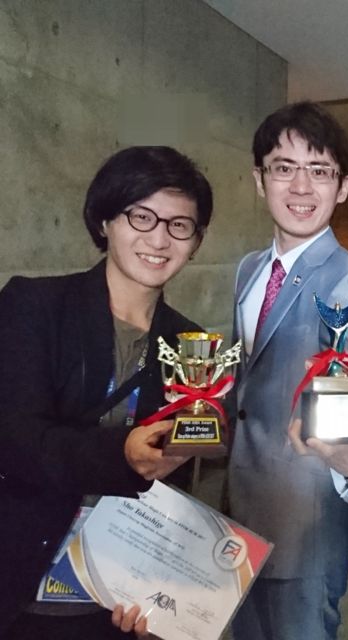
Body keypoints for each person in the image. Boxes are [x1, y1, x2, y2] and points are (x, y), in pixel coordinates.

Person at [0, 146, 213, 639]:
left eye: (180, 225)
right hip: (23, 587)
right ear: (105, 220)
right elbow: (14, 440)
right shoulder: (33, 306)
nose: (159, 238)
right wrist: (122, 454)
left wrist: (167, 591)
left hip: (116, 594)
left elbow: (185, 477)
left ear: (196, 241)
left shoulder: (193, 346)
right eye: (141, 216)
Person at [228, 101, 348, 640]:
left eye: (319, 171)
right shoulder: (249, 269)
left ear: (342, 188)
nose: (301, 186)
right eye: (284, 167)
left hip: (307, 521)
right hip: (237, 511)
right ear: (260, 180)